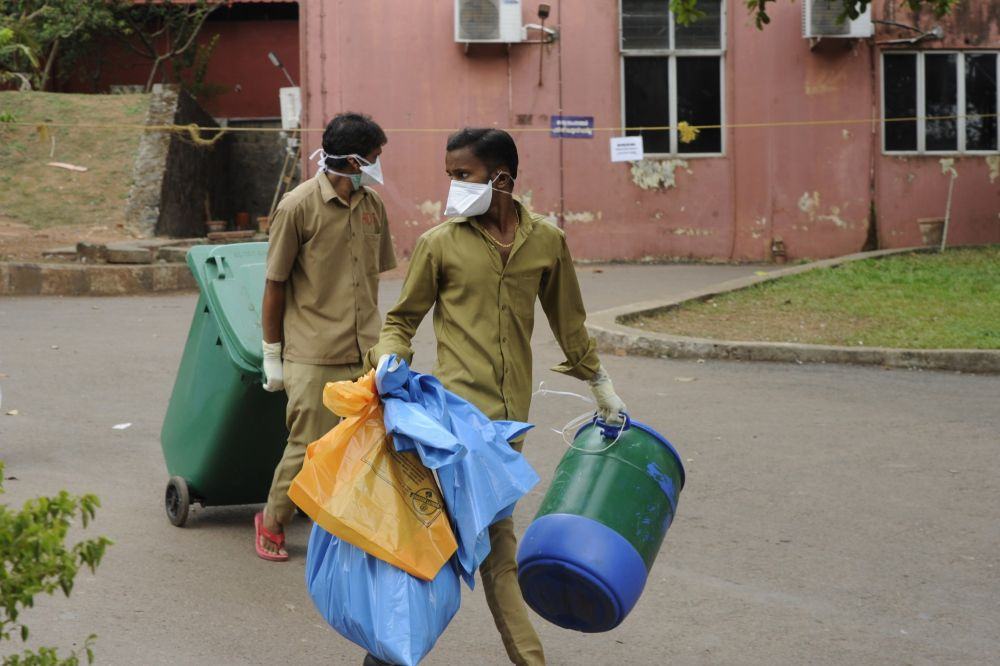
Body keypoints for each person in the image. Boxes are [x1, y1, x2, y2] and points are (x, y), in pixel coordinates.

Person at [363, 128, 626, 666]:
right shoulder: (440, 244)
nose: (453, 187)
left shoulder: (546, 242)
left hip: (512, 423)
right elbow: (401, 321)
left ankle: (385, 655)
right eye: (450, 175)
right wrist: (389, 359)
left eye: (463, 175)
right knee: (494, 543)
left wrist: (600, 385)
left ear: (501, 178)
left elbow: (569, 321)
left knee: (461, 536)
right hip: (454, 421)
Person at [256, 112, 396, 561]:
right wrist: (272, 354)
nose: (379, 164)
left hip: (365, 349)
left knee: (365, 447)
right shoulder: (297, 206)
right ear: (355, 161)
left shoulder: (373, 206)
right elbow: (275, 284)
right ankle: (273, 520)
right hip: (313, 351)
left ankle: (341, 525)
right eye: (375, 156)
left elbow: (374, 277)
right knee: (308, 447)